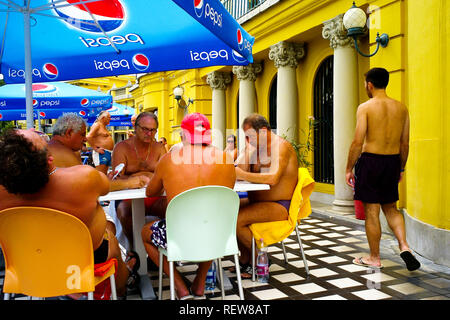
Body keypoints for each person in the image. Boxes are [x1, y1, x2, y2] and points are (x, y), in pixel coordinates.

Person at [0, 128, 137, 299]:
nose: (31, 128)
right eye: (38, 135)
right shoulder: (83, 177)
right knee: (111, 239)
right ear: (50, 160)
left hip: (27, 262)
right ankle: (120, 286)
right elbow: (105, 186)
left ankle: (74, 292)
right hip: (82, 264)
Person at [141, 112, 236, 299]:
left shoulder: (169, 159)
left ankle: (181, 288)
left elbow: (150, 192)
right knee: (211, 222)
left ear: (183, 135)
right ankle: (199, 285)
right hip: (218, 235)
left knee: (145, 233)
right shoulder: (226, 159)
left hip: (179, 237)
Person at [345, 67, 420, 271]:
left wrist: (349, 168)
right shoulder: (402, 108)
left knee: (372, 211)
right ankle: (404, 246)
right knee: (391, 208)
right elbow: (405, 143)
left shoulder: (366, 107)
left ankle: (374, 257)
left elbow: (357, 142)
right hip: (392, 161)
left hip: (370, 162)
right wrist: (401, 168)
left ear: (369, 84)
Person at [48, 113, 149, 236]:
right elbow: (93, 185)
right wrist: (128, 183)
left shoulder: (53, 149)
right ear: (69, 133)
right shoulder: (65, 155)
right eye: (82, 134)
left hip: (59, 222)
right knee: (111, 229)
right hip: (75, 229)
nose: (85, 139)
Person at [233, 114, 299, 278]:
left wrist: (242, 173)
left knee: (237, 220)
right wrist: (248, 149)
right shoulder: (258, 149)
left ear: (263, 131)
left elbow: (273, 178)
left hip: (279, 206)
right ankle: (245, 259)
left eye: (250, 136)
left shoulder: (281, 147)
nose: (248, 140)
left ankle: (259, 261)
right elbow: (240, 172)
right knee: (229, 212)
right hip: (258, 202)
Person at [111, 112, 167, 247]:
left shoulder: (159, 148)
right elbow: (117, 176)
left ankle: (162, 248)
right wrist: (140, 177)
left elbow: (165, 174)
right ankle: (134, 248)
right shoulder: (122, 147)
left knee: (173, 209)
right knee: (124, 213)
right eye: (145, 129)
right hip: (127, 196)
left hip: (154, 196)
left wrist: (149, 178)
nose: (149, 133)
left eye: (152, 130)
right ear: (136, 128)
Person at [87, 110, 114, 175]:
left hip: (107, 152)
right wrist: (96, 149)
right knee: (101, 175)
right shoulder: (97, 125)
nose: (110, 119)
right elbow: (88, 137)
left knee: (105, 175)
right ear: (103, 118)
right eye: (109, 117)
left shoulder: (103, 126)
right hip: (101, 153)